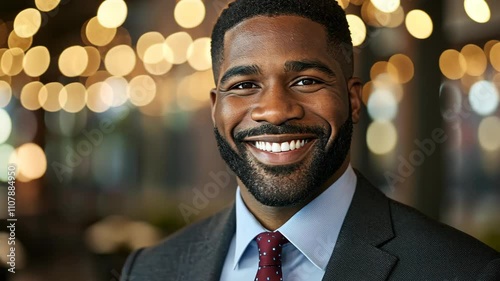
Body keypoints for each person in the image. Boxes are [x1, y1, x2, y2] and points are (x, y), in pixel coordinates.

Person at [120, 0, 500, 280]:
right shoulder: (151, 270)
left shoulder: (466, 272)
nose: (274, 110)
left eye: (306, 81)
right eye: (245, 85)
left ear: (352, 99)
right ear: (216, 109)